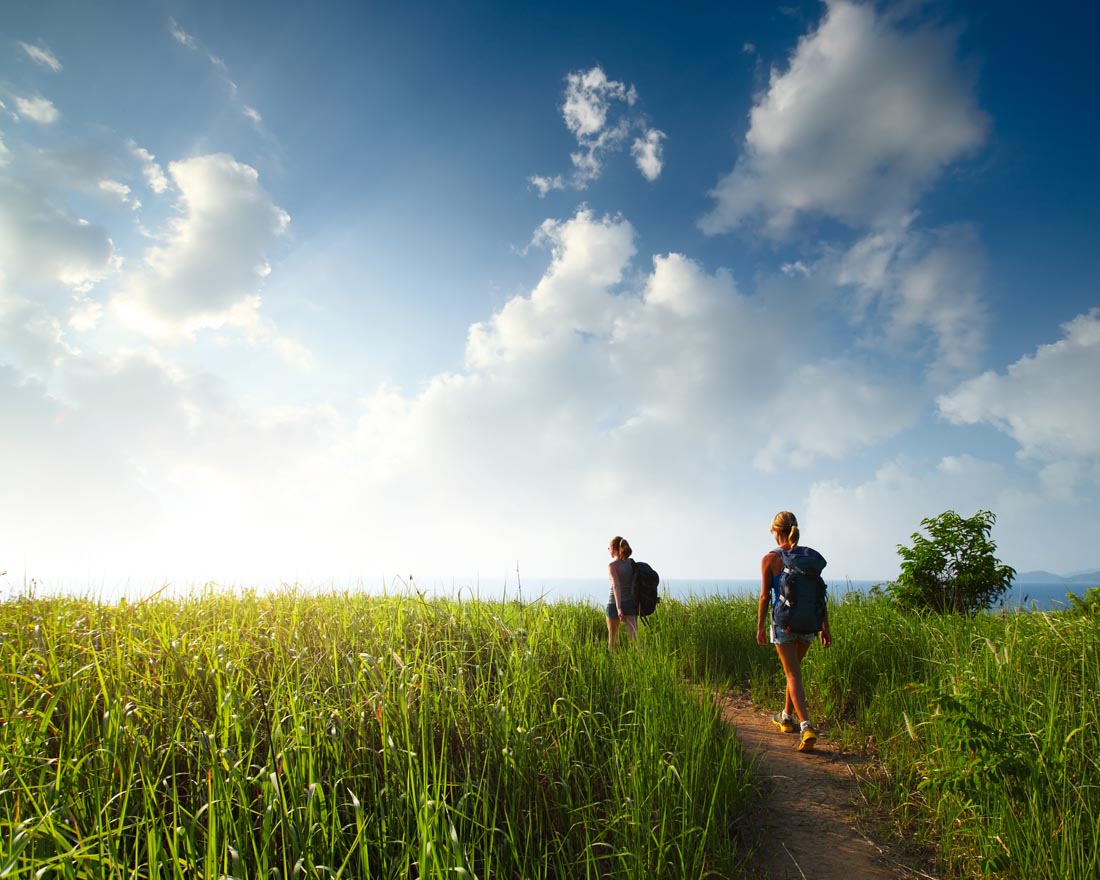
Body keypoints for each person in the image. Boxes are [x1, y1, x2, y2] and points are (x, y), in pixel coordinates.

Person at [756, 511, 832, 752]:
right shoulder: (807, 558)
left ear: (777, 532)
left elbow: (765, 596)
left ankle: (806, 725)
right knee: (794, 672)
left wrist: (759, 627)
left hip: (783, 624)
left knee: (793, 675)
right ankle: (786, 717)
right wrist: (824, 627)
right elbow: (821, 595)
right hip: (809, 623)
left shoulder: (770, 559)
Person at [606, 535, 639, 651]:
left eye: (608, 548)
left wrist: (619, 607)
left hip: (614, 604)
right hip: (630, 603)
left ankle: (613, 667)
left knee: (612, 641)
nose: (608, 551)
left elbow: (616, 586)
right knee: (635, 640)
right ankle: (642, 663)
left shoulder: (612, 566)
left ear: (612, 548)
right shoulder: (631, 563)